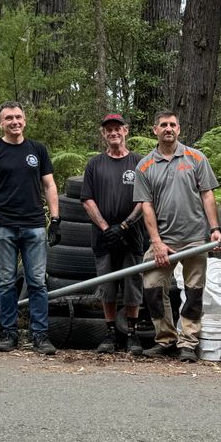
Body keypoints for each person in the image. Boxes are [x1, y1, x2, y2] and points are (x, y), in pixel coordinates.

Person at [133, 110, 221, 362]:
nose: (168, 128)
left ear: (179, 129)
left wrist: (215, 230)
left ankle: (188, 343)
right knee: (151, 287)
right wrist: (157, 243)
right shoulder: (145, 166)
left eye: (172, 124)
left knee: (194, 292)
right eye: (163, 125)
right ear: (155, 130)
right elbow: (146, 206)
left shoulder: (196, 158)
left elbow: (207, 195)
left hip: (195, 238)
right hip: (164, 241)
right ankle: (166, 339)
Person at [0, 101, 61, 355]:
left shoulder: (38, 150)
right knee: (6, 282)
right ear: (0, 122)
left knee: (37, 282)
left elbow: (49, 185)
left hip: (34, 226)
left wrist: (55, 220)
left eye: (18, 117)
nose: (15, 122)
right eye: (9, 118)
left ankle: (40, 335)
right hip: (3, 226)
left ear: (25, 120)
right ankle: (8, 333)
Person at [81, 113, 146, 356]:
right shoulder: (95, 164)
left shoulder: (139, 163)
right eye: (108, 130)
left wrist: (126, 225)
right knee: (107, 288)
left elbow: (145, 200)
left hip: (132, 237)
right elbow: (87, 199)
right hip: (103, 239)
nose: (113, 133)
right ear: (103, 134)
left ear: (126, 131)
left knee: (132, 287)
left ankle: (132, 333)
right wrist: (106, 228)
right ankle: (109, 332)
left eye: (117, 128)